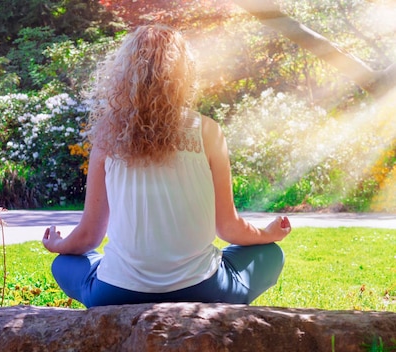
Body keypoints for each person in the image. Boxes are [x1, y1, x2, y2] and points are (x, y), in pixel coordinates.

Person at [42, 24, 291, 308]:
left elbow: (89, 237)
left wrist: (58, 245)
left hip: (115, 295)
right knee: (271, 255)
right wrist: (267, 234)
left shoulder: (106, 138)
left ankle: (109, 274)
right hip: (206, 289)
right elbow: (228, 228)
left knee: (64, 264)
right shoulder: (208, 131)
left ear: (124, 74)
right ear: (184, 75)